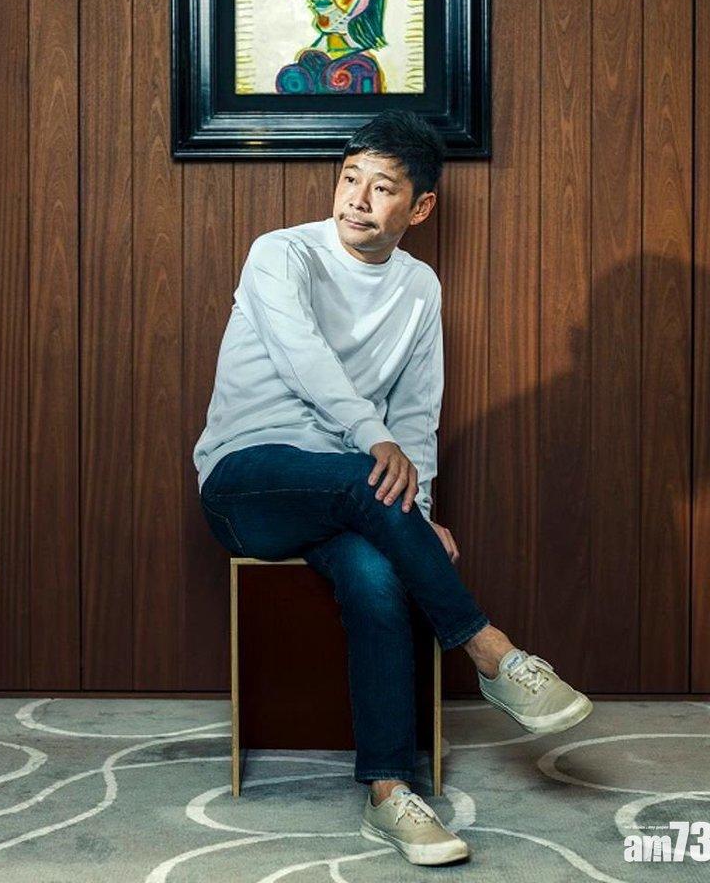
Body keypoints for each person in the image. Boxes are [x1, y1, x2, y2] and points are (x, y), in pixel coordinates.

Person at [193, 111, 593, 867]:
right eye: (350, 178)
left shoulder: (418, 288)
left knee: (379, 576)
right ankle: (489, 651)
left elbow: (415, 415)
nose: (357, 199)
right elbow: (305, 358)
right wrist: (371, 443)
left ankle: (387, 792)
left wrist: (417, 515)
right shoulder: (281, 253)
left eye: (381, 188)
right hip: (248, 482)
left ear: (421, 206)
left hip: (358, 493)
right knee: (360, 484)